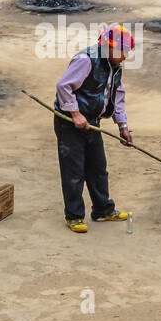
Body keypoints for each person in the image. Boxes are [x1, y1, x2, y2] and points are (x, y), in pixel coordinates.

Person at [53, 24, 135, 233]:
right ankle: (74, 215)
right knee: (74, 170)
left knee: (98, 167)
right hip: (70, 122)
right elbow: (64, 86)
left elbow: (117, 95)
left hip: (92, 121)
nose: (125, 57)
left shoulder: (114, 66)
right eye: (123, 52)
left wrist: (123, 126)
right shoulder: (86, 60)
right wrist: (75, 113)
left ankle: (102, 209)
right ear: (110, 48)